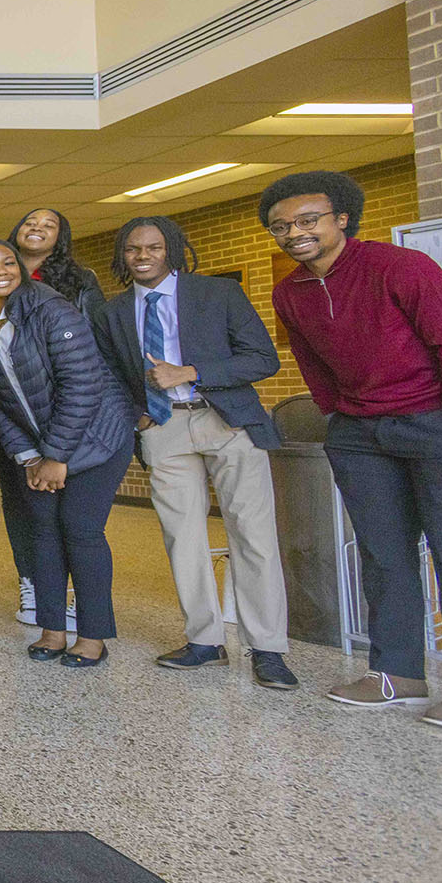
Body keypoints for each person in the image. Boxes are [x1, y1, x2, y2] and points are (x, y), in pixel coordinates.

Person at [264, 171, 442, 727]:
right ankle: (398, 675)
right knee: (382, 555)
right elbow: (311, 360)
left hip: (431, 425)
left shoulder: (400, 267)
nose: (294, 232)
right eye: (282, 226)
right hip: (358, 434)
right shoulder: (290, 291)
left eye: (307, 220)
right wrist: (336, 413)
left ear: (341, 218)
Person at [91, 216, 296, 689]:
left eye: (153, 247)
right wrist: (136, 414)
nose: (143, 256)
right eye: (132, 249)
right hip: (164, 427)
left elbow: (263, 358)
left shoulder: (217, 294)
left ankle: (268, 648)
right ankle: (204, 640)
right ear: (122, 257)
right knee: (182, 536)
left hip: (226, 420)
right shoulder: (111, 313)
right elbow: (106, 375)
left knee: (253, 535)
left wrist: (191, 372)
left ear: (172, 250)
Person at [0, 239, 133, 667]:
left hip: (97, 438)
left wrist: (56, 456)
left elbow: (84, 386)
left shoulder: (50, 309)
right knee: (42, 532)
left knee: (80, 529)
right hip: (38, 448)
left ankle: (93, 635)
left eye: (8, 262)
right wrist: (28, 457)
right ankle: (53, 630)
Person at [2, 207, 107, 624]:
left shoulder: (80, 282)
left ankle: (81, 593)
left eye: (49, 226)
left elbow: (95, 346)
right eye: (29, 222)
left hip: (70, 407)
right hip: (14, 410)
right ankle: (34, 586)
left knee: (76, 514)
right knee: (24, 505)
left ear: (60, 238)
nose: (36, 229)